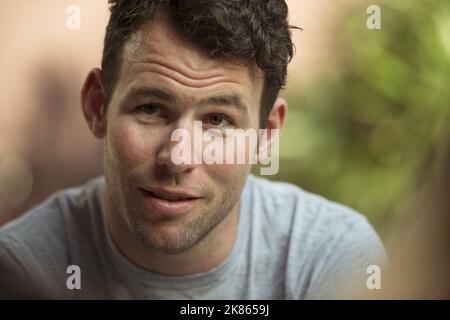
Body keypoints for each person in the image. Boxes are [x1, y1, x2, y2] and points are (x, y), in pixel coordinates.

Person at [0, 0, 386, 299]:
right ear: (97, 105)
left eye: (218, 121)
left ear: (266, 136)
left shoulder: (329, 259)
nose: (179, 158)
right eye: (151, 109)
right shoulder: (21, 267)